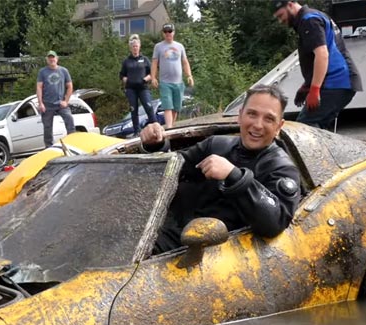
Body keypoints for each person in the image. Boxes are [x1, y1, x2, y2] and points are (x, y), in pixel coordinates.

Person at [140, 85, 301, 253]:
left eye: (269, 119)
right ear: (240, 116)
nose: (258, 125)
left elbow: (275, 223)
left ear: (278, 126)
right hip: (170, 239)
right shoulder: (215, 145)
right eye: (252, 114)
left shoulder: (282, 169)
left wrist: (234, 176)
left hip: (223, 256)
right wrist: (156, 145)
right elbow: (173, 168)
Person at [272, 0, 362, 131]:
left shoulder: (309, 20)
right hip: (340, 82)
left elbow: (322, 54)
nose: (281, 21)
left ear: (290, 5)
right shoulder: (315, 15)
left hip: (335, 82)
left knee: (304, 127)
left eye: (281, 15)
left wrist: (314, 90)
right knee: (320, 127)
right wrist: (306, 85)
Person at [151, 23, 194, 129]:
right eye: (165, 31)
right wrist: (153, 77)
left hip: (178, 83)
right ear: (163, 33)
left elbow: (185, 62)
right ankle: (169, 127)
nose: (167, 33)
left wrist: (189, 75)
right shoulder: (158, 47)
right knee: (167, 106)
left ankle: (171, 126)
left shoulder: (180, 46)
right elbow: (154, 63)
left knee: (176, 108)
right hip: (165, 82)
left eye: (169, 31)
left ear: (173, 32)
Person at [120, 34, 158, 136]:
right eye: (133, 46)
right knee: (134, 109)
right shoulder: (126, 61)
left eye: (136, 46)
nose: (135, 48)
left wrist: (147, 78)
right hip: (131, 89)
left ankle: (155, 126)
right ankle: (137, 131)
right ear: (130, 48)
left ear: (139, 46)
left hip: (143, 87)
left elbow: (152, 72)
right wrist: (125, 80)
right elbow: (122, 74)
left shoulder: (144, 59)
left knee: (148, 106)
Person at [36, 50, 75, 148]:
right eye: (49, 58)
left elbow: (70, 86)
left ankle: (72, 142)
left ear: (57, 59)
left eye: (53, 57)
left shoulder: (63, 71)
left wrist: (66, 101)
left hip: (61, 103)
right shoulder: (42, 72)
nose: (51, 59)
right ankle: (49, 147)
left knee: (69, 119)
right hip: (47, 103)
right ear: (47, 60)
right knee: (47, 127)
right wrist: (40, 103)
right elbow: (39, 87)